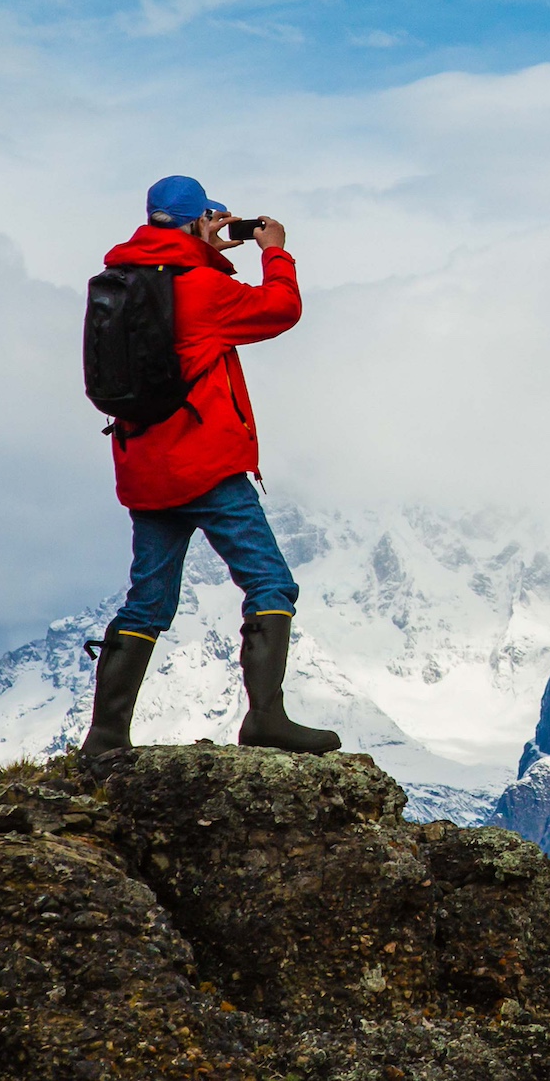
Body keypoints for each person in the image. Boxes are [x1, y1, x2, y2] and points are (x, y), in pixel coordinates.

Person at [81, 175, 341, 757]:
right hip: (207, 465)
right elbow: (280, 309)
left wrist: (201, 247)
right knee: (270, 582)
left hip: (145, 467)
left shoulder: (118, 283)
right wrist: (274, 250)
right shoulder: (202, 288)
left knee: (147, 601)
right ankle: (265, 720)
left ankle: (104, 737)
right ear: (202, 219)